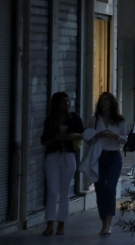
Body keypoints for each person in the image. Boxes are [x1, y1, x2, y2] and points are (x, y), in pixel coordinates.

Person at [83, 92, 128, 236]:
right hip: (99, 157)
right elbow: (88, 140)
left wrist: (116, 136)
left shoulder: (119, 120)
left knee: (110, 188)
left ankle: (108, 223)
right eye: (101, 101)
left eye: (106, 101)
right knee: (100, 189)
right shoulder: (94, 120)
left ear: (112, 103)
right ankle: (104, 222)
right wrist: (98, 135)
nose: (103, 103)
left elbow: (125, 139)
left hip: (114, 156)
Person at [40, 92, 84, 236]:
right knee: (52, 191)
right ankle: (50, 223)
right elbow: (44, 141)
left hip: (69, 156)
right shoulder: (50, 121)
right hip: (52, 157)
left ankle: (61, 224)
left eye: (68, 101)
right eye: (63, 102)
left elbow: (85, 134)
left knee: (64, 192)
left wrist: (74, 136)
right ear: (57, 104)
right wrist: (56, 138)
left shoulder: (74, 119)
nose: (67, 104)